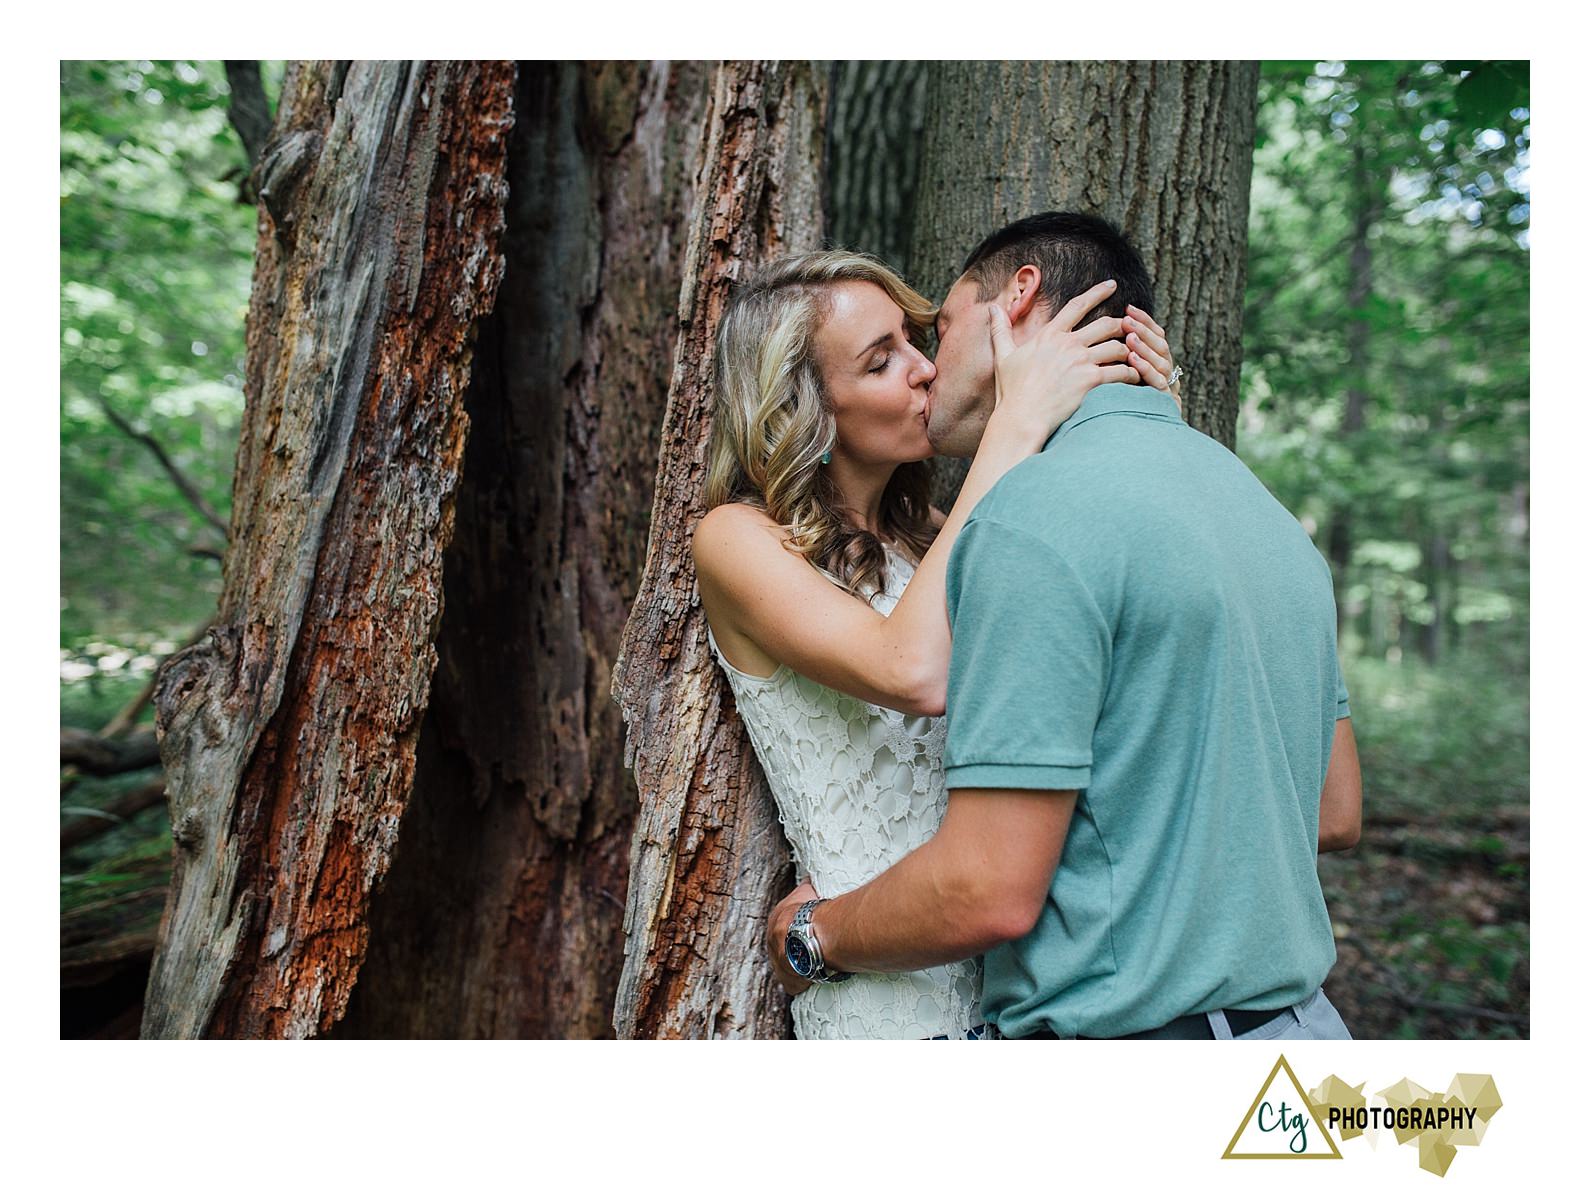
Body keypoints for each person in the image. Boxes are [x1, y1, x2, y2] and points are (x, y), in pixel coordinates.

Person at [764, 212, 1362, 1040]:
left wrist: (814, 936)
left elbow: (987, 888)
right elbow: (1332, 811)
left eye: (940, 327)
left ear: (1016, 300)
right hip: (1302, 1042)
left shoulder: (1027, 522)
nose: (930, 365)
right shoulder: (1263, 515)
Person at [693, 241, 1182, 1038]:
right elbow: (913, 670)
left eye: (918, 342)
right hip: (881, 990)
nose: (924, 369)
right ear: (805, 409)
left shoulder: (929, 536)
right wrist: (1014, 424)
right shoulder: (736, 541)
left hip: (1012, 975)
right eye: (882, 361)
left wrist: (1148, 414)